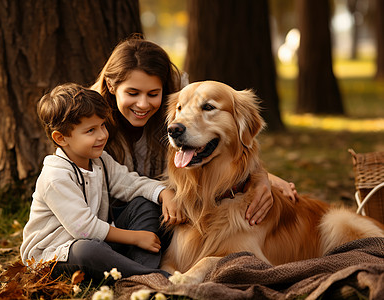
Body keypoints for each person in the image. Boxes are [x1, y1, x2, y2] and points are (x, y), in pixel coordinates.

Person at [91, 36, 297, 226]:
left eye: (153, 93)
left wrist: (263, 178)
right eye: (133, 93)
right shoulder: (87, 122)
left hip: (169, 211)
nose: (143, 104)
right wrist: (161, 192)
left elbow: (234, 149)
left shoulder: (178, 104)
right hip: (105, 220)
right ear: (110, 85)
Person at [20, 83, 173, 281]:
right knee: (88, 250)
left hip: (99, 242)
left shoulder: (100, 160)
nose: (102, 135)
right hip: (56, 254)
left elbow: (131, 184)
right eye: (91, 130)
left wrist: (163, 193)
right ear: (61, 138)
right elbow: (84, 228)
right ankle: (156, 277)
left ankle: (139, 272)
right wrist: (136, 237)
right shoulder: (55, 176)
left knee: (143, 204)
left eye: (102, 125)